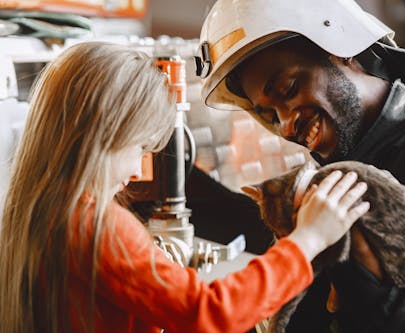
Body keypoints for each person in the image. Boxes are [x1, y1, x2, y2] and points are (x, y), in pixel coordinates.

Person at [0, 41, 370, 333]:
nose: (134, 171)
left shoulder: (32, 211)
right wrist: (308, 240)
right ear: (106, 132)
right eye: (140, 148)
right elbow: (208, 313)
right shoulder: (96, 224)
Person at [195, 0, 405, 332]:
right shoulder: (333, 172)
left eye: (288, 89)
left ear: (341, 49)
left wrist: (378, 297)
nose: (284, 125)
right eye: (268, 115)